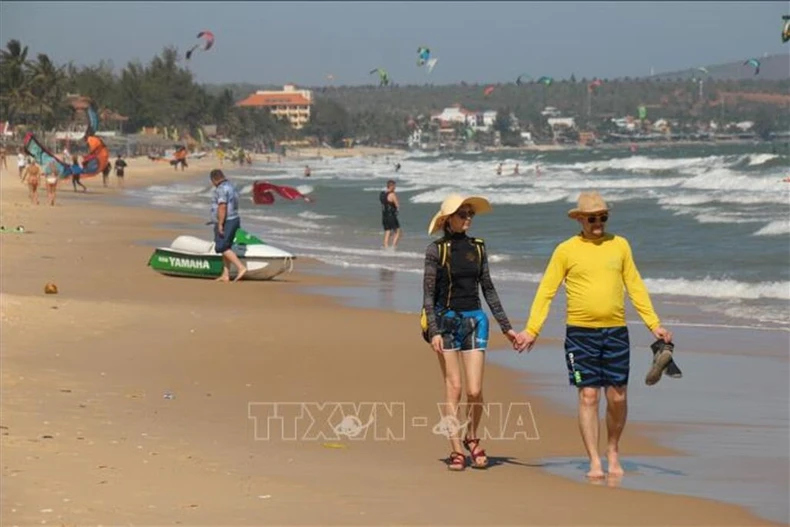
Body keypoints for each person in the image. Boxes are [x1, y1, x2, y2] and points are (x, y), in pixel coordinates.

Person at [513, 191, 673, 479]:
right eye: (592, 218)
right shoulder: (565, 250)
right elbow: (547, 291)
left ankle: (612, 449)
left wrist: (654, 324)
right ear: (580, 219)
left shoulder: (620, 245)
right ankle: (594, 461)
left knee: (618, 397)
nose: (598, 222)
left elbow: (635, 286)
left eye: (602, 217)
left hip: (615, 332)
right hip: (579, 335)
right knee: (588, 396)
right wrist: (532, 329)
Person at [423, 194, 518, 471]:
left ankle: (472, 437)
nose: (468, 218)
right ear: (447, 219)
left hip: (475, 320)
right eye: (462, 214)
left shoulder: (478, 247)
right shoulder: (435, 250)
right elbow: (428, 295)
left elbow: (488, 288)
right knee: (454, 387)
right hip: (446, 321)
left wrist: (507, 327)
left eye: (470, 214)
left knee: (475, 390)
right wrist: (435, 330)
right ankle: (456, 449)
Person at [209, 169, 246, 282]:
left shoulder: (221, 189)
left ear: (214, 179)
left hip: (227, 220)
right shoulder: (231, 185)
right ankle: (226, 274)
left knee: (221, 247)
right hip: (235, 218)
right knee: (227, 247)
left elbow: (222, 206)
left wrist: (220, 223)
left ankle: (241, 267)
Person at [380, 179, 401, 250]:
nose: (395, 188)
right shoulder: (392, 195)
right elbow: (397, 205)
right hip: (391, 216)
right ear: (391, 186)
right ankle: (393, 247)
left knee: (387, 231)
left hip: (384, 216)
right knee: (398, 232)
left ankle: (386, 247)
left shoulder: (382, 194)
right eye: (394, 186)